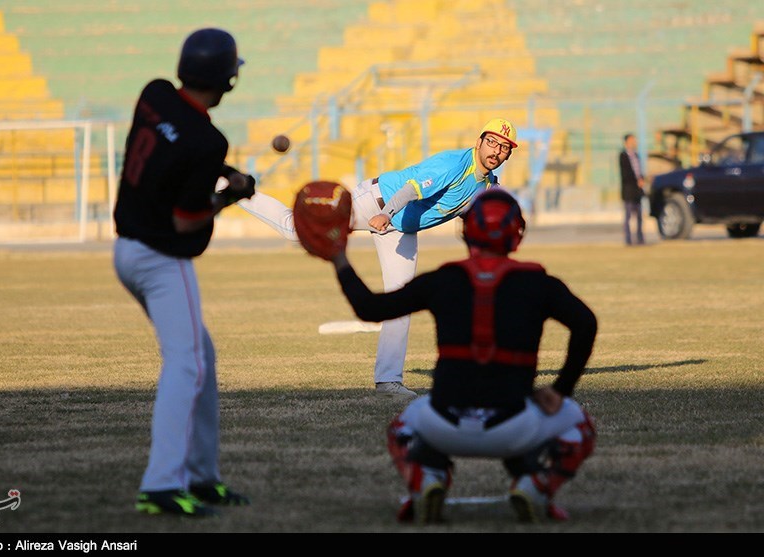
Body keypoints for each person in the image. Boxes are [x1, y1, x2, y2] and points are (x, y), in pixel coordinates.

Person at [314, 186, 597, 524]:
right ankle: (535, 484)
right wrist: (561, 389)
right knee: (581, 425)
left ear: (466, 231)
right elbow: (586, 324)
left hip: (442, 422)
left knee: (400, 428)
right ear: (517, 233)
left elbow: (370, 308)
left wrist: (339, 258)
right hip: (516, 423)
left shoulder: (444, 279)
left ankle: (427, 479)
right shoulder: (539, 282)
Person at [240, 118, 519, 398]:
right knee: (293, 230)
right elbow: (411, 188)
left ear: (508, 154)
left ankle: (388, 382)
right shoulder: (454, 164)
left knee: (402, 301)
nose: (496, 150)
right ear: (479, 141)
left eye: (504, 147)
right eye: (492, 142)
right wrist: (386, 214)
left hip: (400, 229)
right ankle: (236, 190)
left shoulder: (487, 186)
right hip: (377, 202)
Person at [112, 27, 255, 517]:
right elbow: (186, 219)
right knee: (187, 364)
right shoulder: (208, 140)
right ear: (226, 80)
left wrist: (220, 167)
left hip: (125, 250)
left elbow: (178, 145)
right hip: (160, 258)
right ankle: (162, 484)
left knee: (201, 358)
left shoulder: (154, 94)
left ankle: (201, 475)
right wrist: (229, 196)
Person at [619, 133, 646, 246]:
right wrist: (637, 181)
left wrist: (642, 179)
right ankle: (628, 240)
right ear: (626, 142)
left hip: (638, 191)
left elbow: (639, 171)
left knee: (639, 216)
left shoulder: (636, 155)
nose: (634, 142)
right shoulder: (623, 156)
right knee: (628, 216)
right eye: (632, 140)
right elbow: (626, 174)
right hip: (629, 191)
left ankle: (640, 238)